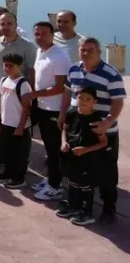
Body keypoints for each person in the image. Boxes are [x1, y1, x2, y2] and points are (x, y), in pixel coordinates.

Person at [59, 36, 124, 225]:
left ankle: (108, 208)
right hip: (78, 129)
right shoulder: (74, 69)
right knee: (78, 168)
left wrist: (108, 122)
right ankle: (77, 205)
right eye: (83, 50)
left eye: (90, 50)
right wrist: (63, 114)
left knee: (107, 172)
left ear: (99, 52)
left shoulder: (110, 73)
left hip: (103, 130)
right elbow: (67, 92)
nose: (86, 53)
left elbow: (118, 101)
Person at [26, 21, 72, 202]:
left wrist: (34, 94)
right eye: (36, 34)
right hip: (42, 107)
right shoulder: (40, 52)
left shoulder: (60, 56)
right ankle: (52, 180)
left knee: (54, 150)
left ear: (52, 35)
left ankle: (55, 187)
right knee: (48, 147)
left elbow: (60, 87)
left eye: (44, 33)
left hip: (54, 109)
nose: (40, 37)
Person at [55, 88, 108, 226]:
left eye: (88, 99)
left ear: (94, 102)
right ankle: (74, 207)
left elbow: (104, 142)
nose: (84, 101)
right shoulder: (72, 113)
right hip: (72, 157)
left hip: (88, 160)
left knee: (85, 186)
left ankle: (87, 213)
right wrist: (63, 142)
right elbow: (65, 130)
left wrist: (86, 150)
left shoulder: (96, 120)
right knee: (73, 182)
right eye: (81, 98)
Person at [0, 52, 34, 190]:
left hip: (18, 126)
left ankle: (19, 178)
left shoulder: (23, 84)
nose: (7, 68)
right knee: (7, 152)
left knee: (19, 154)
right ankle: (8, 173)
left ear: (19, 66)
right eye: (6, 65)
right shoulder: (4, 80)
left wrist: (21, 127)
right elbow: (0, 100)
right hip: (6, 124)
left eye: (11, 66)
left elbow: (26, 107)